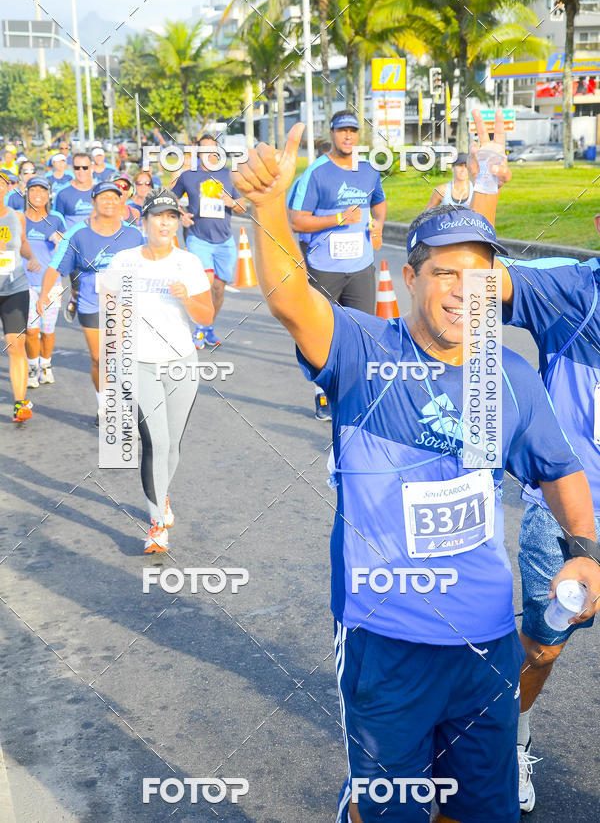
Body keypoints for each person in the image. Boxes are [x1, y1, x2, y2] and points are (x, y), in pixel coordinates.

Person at [230, 124, 600, 823]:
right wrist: (270, 208)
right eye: (444, 273)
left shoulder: (508, 375)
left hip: (486, 645)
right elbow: (290, 298)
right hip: (386, 638)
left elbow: (559, 469)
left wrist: (584, 551)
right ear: (409, 278)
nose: (464, 291)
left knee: (480, 810)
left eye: (479, 274)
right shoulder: (365, 350)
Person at [468, 109, 600, 813]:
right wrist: (487, 175)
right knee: (544, 645)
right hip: (572, 519)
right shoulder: (571, 293)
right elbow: (474, 280)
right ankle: (508, 739)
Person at [108, 189, 213, 553]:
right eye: (158, 216)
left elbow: (207, 316)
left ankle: (163, 495)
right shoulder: (124, 261)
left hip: (182, 362)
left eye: (171, 216)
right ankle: (156, 522)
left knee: (174, 443)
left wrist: (187, 297)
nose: (165, 222)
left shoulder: (189, 263)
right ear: (145, 221)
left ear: (178, 222)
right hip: (138, 363)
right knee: (155, 441)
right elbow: (111, 306)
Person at [289, 110, 386, 420]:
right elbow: (297, 220)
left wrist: (378, 226)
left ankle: (357, 393)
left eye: (353, 131)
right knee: (323, 331)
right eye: (342, 130)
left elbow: (379, 202)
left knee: (362, 331)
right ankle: (322, 393)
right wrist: (339, 218)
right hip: (324, 267)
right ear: (331, 134)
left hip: (360, 266)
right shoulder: (317, 172)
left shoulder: (369, 170)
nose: (348, 136)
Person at [36, 181, 143, 424]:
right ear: (93, 202)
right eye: (103, 197)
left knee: (121, 357)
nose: (109, 202)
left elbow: (149, 265)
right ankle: (104, 404)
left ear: (121, 201)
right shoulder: (78, 234)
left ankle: (127, 411)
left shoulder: (133, 234)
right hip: (89, 303)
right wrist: (44, 295)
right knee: (100, 359)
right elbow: (55, 268)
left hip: (124, 303)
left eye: (114, 197)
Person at [172, 134, 246, 348]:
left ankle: (208, 326)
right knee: (205, 284)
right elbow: (171, 198)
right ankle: (200, 329)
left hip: (224, 241)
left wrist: (230, 201)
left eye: (210, 150)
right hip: (198, 239)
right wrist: (181, 215)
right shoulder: (189, 176)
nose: (206, 154)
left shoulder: (228, 175)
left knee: (218, 289)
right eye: (202, 150)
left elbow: (242, 206)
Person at [0, 171, 41, 421]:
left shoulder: (16, 217)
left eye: (0, 184)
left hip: (15, 287)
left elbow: (23, 242)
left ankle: (20, 404)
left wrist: (31, 256)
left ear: (6, 188)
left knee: (16, 345)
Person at [23, 177, 65, 388]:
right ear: (27, 193)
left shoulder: (56, 218)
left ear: (48, 194)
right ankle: (32, 368)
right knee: (31, 330)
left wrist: (58, 240)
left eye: (42, 190)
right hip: (26, 284)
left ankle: (46, 365)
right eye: (33, 190)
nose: (37, 194)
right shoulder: (19, 219)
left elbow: (65, 246)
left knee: (47, 332)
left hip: (52, 284)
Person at [53, 152, 95, 322]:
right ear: (73, 168)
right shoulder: (63, 194)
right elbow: (57, 221)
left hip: (100, 245)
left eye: (85, 167)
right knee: (78, 287)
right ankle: (75, 298)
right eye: (77, 167)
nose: (81, 171)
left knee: (102, 288)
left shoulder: (99, 189)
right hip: (75, 249)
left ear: (91, 167)